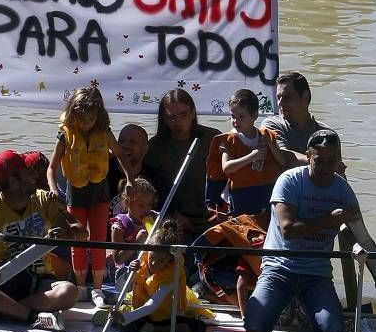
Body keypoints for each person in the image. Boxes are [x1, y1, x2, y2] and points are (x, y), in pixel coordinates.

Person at [244, 130, 360, 332]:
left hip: (316, 275)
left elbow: (359, 233)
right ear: (308, 156)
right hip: (279, 268)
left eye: (331, 161)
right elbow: (287, 230)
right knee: (254, 328)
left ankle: (305, 308)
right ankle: (284, 306)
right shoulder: (289, 181)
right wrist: (329, 220)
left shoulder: (343, 191)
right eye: (319, 161)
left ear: (339, 160)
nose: (325, 168)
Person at [0, 149, 85, 327]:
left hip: (38, 281)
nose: (33, 174)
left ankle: (4, 311)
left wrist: (70, 233)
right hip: (2, 280)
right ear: (14, 181)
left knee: (68, 291)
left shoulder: (43, 199)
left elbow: (82, 232)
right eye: (26, 170)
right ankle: (29, 316)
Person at [47, 85, 135, 309]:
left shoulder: (104, 132)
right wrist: (54, 188)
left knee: (97, 240)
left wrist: (130, 179)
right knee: (78, 240)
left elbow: (120, 155)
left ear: (98, 115)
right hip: (76, 192)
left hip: (100, 191)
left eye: (91, 118)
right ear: (74, 114)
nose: (86, 123)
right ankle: (80, 287)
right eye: (82, 118)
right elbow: (51, 168)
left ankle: (96, 289)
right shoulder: (65, 135)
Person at [111, 218, 214, 332]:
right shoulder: (142, 260)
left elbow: (152, 305)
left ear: (169, 260)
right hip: (142, 313)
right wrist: (130, 272)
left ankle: (155, 329)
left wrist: (125, 318)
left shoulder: (172, 273)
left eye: (161, 261)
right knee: (127, 328)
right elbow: (121, 287)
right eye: (152, 258)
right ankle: (127, 322)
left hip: (166, 316)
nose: (154, 263)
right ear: (148, 252)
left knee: (199, 327)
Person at [144, 89, 218, 239]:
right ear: (163, 118)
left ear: (192, 113)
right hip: (174, 220)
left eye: (183, 115)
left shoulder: (211, 138)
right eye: (171, 117)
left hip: (211, 217)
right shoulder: (155, 146)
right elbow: (152, 189)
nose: (177, 122)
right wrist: (172, 215)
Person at [213, 88, 295, 216]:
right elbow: (227, 167)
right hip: (241, 194)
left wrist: (270, 145)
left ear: (255, 115)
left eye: (241, 117)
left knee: (266, 224)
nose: (236, 121)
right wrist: (251, 157)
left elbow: (282, 161)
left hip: (267, 191)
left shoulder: (266, 135)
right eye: (233, 116)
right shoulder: (229, 140)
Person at [260, 72, 338, 162]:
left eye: (287, 97)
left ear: (305, 96)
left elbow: (338, 171)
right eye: (278, 97)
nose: (280, 103)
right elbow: (284, 156)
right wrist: (320, 162)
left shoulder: (328, 134)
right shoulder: (271, 125)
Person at [109, 176, 158, 286]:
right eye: (141, 205)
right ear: (128, 203)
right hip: (127, 271)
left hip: (149, 269)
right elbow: (118, 260)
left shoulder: (155, 218)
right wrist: (137, 243)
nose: (146, 209)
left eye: (149, 204)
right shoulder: (119, 225)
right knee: (124, 274)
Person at [108, 123, 154, 216]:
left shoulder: (154, 178)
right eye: (121, 141)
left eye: (133, 142)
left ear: (145, 149)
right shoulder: (102, 172)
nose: (125, 145)